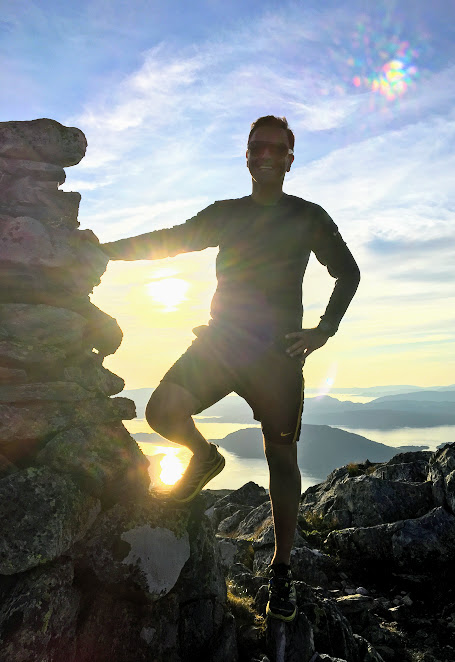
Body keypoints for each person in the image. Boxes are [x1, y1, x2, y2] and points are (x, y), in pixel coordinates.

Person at [93, 116, 360, 622]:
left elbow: (348, 273)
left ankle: (282, 571)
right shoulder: (227, 213)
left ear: (290, 159)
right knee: (161, 412)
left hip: (278, 356)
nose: (266, 155)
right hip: (222, 343)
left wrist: (324, 330)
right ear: (247, 155)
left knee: (282, 461)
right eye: (257, 147)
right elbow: (171, 239)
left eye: (276, 149)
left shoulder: (308, 216)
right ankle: (204, 457)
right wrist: (103, 251)